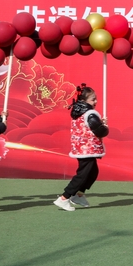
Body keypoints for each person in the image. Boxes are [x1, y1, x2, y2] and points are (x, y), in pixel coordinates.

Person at [53, 84, 109, 212]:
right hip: (87, 149)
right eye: (93, 99)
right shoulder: (90, 114)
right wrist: (104, 126)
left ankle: (79, 195)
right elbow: (100, 131)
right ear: (83, 101)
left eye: (95, 99)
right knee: (82, 175)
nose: (96, 101)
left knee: (93, 172)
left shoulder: (78, 112)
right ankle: (64, 198)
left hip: (83, 148)